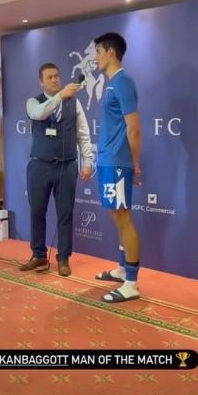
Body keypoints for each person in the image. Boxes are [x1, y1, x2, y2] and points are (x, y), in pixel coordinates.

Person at [20, 63, 93, 276]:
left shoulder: (74, 103)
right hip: (39, 165)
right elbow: (40, 114)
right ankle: (39, 256)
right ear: (41, 81)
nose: (55, 80)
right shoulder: (33, 102)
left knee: (65, 214)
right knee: (37, 212)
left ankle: (63, 258)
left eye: (57, 76)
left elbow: (83, 134)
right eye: (50, 77)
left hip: (67, 166)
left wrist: (87, 162)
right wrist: (60, 95)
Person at [93, 32, 142, 303]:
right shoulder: (112, 84)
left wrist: (133, 164)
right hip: (107, 160)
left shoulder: (123, 82)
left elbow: (134, 129)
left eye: (98, 51)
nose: (96, 57)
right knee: (116, 217)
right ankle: (123, 269)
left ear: (110, 52)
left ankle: (132, 283)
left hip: (118, 162)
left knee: (124, 219)